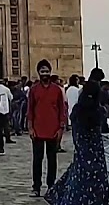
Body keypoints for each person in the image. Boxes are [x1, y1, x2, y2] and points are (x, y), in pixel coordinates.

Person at [46, 80, 109, 205]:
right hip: (96, 155)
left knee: (79, 181)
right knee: (96, 185)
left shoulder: (77, 110)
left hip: (81, 152)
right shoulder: (99, 112)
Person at [26, 59, 67, 197]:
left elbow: (62, 110)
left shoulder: (57, 90)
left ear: (50, 72)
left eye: (47, 71)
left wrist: (61, 128)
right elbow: (30, 110)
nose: (45, 74)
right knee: (37, 160)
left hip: (53, 130)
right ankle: (36, 187)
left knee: (52, 160)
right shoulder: (33, 90)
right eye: (42, 71)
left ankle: (51, 186)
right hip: (37, 130)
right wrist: (30, 128)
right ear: (38, 73)